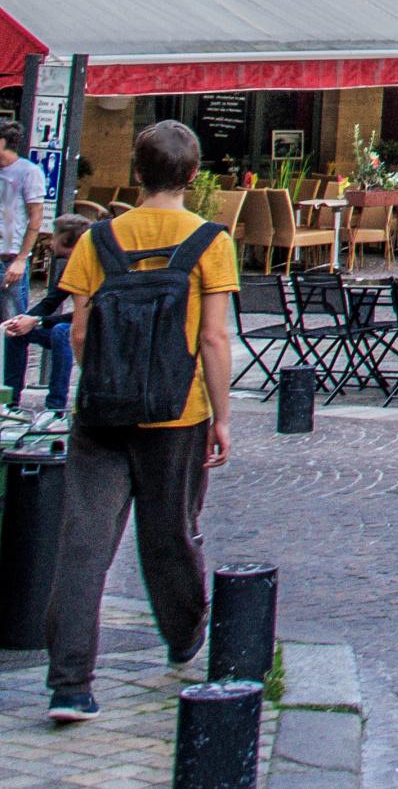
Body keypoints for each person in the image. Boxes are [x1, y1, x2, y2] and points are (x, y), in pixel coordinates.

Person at [45, 120, 237, 724]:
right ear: (193, 176)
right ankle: (183, 635)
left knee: (83, 544)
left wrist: (106, 380)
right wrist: (221, 417)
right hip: (177, 414)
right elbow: (213, 337)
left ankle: (70, 684)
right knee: (170, 532)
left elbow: (78, 332)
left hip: (101, 413)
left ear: (135, 173)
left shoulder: (96, 240)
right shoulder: (211, 240)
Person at [2, 213, 87, 419]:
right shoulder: (68, 265)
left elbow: (82, 315)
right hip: (72, 325)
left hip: (90, 329)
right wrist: (22, 320)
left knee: (60, 332)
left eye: (54, 236)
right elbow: (51, 302)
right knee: (19, 332)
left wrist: (38, 320)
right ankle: (10, 402)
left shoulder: (88, 264)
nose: (50, 242)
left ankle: (55, 408)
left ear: (66, 240)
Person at [0, 124, 44, 338]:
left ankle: (12, 373)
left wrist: (21, 258)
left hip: (9, 260)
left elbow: (36, 217)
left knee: (13, 327)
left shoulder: (28, 171)